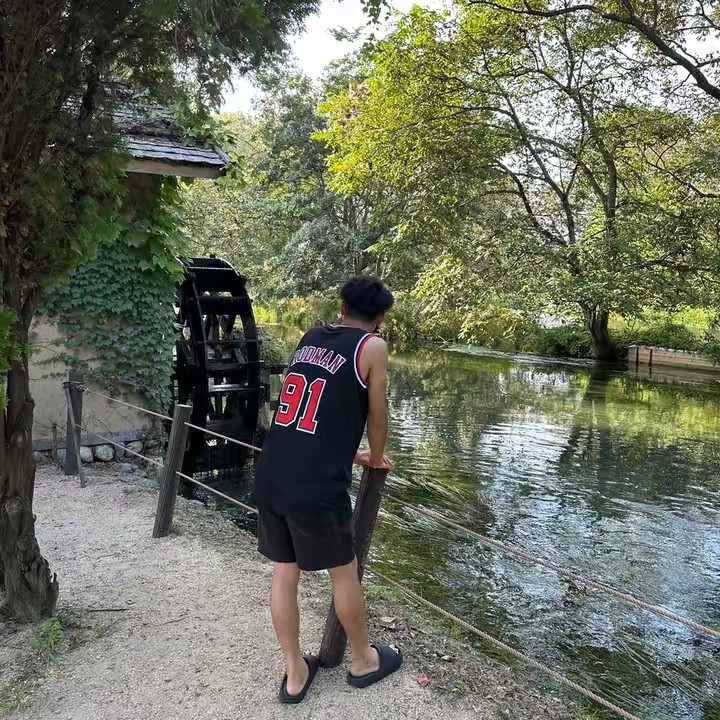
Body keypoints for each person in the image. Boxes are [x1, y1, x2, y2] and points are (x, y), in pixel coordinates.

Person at [251, 275, 403, 704]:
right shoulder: (372, 347)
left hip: (274, 469)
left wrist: (345, 452)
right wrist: (375, 456)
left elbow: (310, 409)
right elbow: (377, 414)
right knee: (343, 571)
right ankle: (363, 660)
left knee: (285, 573)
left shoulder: (311, 337)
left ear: (342, 308)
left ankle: (295, 673)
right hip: (316, 485)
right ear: (381, 318)